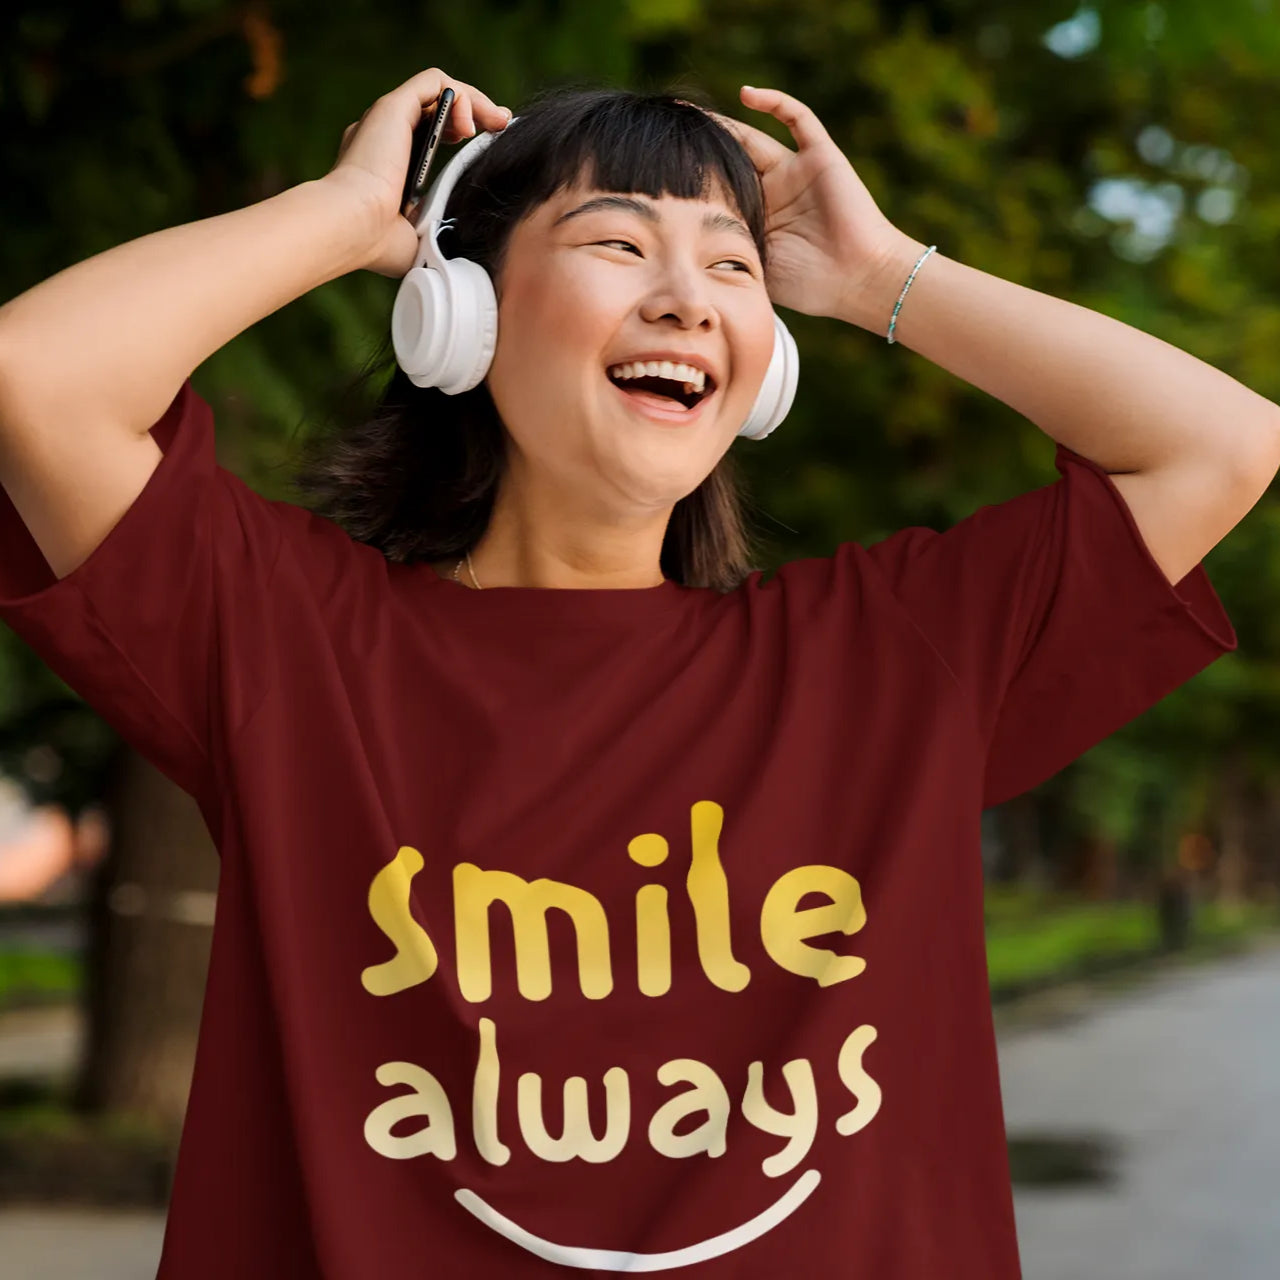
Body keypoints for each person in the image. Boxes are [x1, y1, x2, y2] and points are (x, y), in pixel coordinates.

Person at [0, 65, 1258, 1278]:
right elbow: (37, 380)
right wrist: (341, 221)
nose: (686, 297)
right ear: (465, 314)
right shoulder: (287, 640)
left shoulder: (891, 654)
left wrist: (883, 276)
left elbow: (1216, 445)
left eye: (730, 264)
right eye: (617, 244)